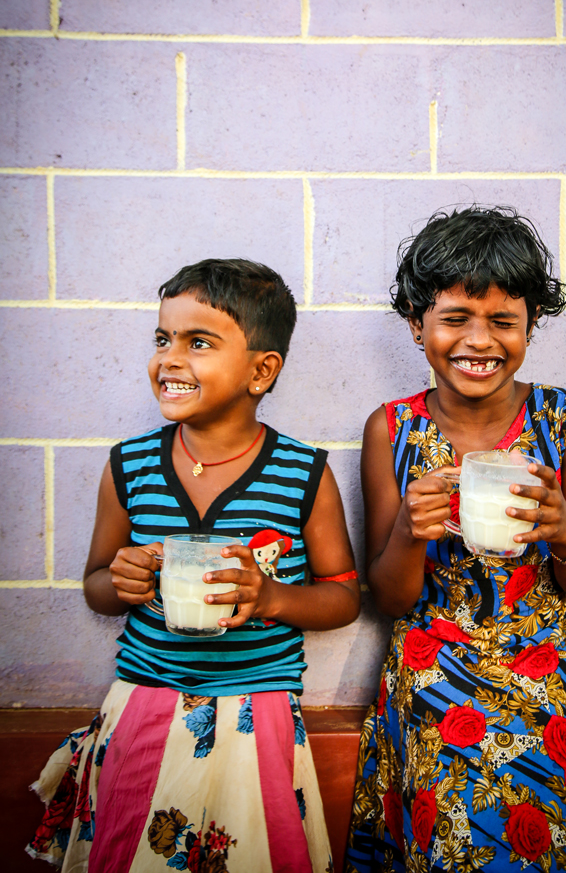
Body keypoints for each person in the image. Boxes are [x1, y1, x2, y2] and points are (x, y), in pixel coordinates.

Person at [28, 258, 360, 873]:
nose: (170, 360)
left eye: (198, 343)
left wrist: (271, 598)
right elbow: (97, 585)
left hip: (256, 708)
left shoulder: (303, 474)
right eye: (163, 339)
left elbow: (343, 597)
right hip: (144, 702)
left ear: (261, 371)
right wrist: (121, 580)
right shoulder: (129, 466)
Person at [345, 207, 566, 873]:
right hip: (430, 675)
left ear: (531, 325)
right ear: (416, 324)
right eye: (455, 319)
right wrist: (408, 532)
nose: (479, 341)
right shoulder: (391, 429)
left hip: (547, 672)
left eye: (504, 321)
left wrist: (564, 530)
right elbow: (389, 599)